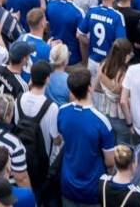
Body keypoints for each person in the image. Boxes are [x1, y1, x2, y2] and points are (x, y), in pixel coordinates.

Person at [57, 69, 117, 207]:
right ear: (90, 88)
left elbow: (61, 139)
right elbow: (110, 161)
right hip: (92, 189)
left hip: (67, 185)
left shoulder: (62, 111)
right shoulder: (101, 121)